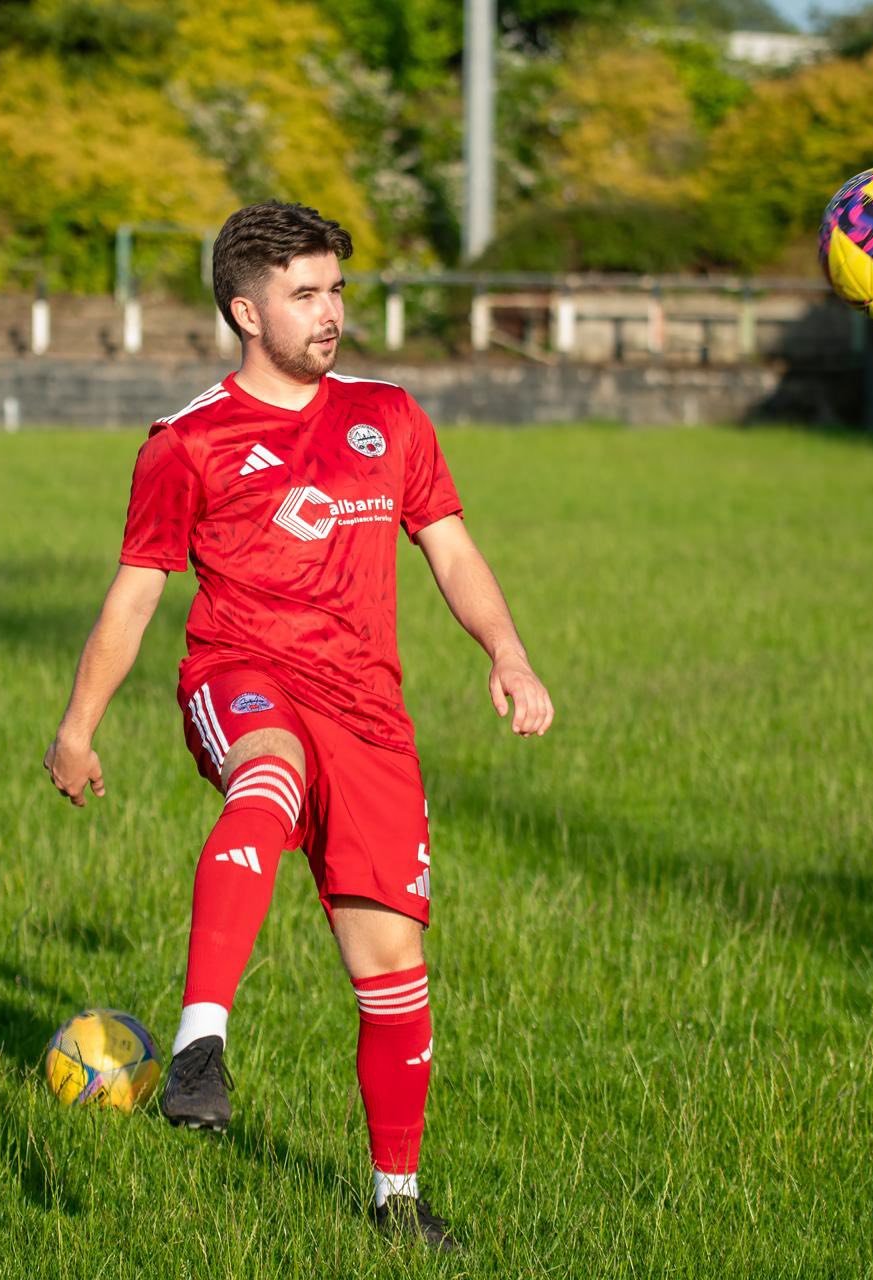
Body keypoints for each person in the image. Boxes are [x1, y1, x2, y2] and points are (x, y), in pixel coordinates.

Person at [42, 200, 554, 1252]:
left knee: (393, 973)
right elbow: (135, 598)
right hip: (241, 671)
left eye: (336, 291)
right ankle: (199, 1045)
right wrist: (78, 726)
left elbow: (451, 549)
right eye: (305, 294)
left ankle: (396, 1200)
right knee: (265, 772)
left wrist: (506, 650)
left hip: (370, 716)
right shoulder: (186, 443)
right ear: (245, 309)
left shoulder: (392, 415)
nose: (330, 314)